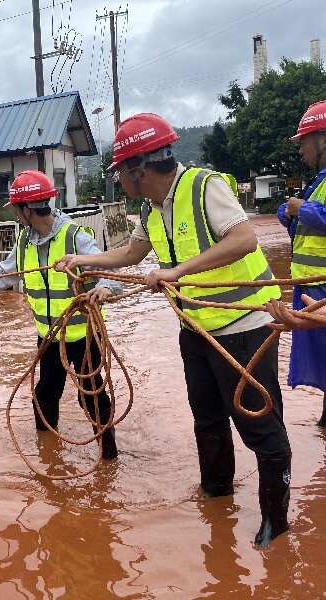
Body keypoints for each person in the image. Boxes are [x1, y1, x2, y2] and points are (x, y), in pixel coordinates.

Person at [53, 113, 289, 547]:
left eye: (120, 170)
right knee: (208, 419)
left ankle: (277, 520)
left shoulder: (204, 186)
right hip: (195, 330)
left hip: (245, 327)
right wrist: (84, 262)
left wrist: (177, 272)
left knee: (259, 424)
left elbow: (244, 240)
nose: (119, 179)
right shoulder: (152, 210)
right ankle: (216, 496)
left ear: (138, 168)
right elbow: (130, 253)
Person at [0, 170, 121, 460]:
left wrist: (105, 288)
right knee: (45, 393)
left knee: (91, 396)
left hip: (84, 337)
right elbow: (5, 273)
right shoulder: (24, 243)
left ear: (27, 209)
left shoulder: (75, 237)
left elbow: (110, 274)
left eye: (17, 209)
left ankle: (109, 454)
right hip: (49, 337)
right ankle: (48, 453)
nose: (16, 215)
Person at [272, 100, 326, 426]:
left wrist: (300, 208)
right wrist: (288, 210)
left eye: (305, 140)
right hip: (310, 288)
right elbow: (298, 215)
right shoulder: (318, 180)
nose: (301, 148)